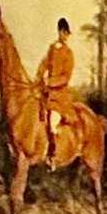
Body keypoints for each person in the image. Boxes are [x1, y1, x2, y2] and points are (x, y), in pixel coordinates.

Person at [36, 17, 81, 162]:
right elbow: (44, 64)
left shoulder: (69, 53)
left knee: (52, 122)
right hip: (47, 92)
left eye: (67, 33)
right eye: (63, 32)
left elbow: (65, 78)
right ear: (59, 32)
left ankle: (52, 155)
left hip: (60, 96)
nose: (65, 36)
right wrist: (38, 78)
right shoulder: (52, 48)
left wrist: (49, 82)